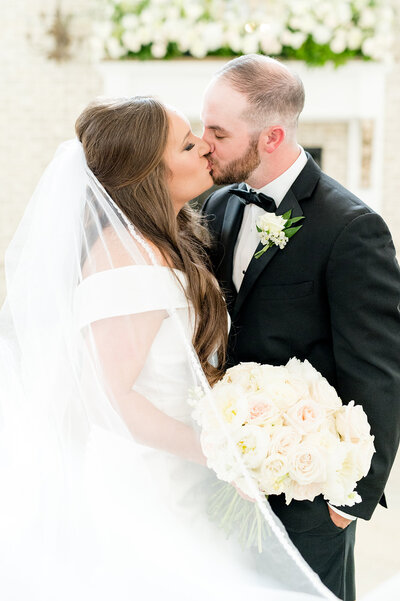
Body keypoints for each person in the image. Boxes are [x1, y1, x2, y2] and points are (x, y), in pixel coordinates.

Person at [0, 96, 335, 601]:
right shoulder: (121, 257)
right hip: (146, 491)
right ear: (148, 176)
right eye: (186, 143)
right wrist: (218, 453)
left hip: (180, 480)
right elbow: (108, 397)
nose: (205, 144)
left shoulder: (168, 238)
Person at [201, 54, 400, 601]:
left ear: (272, 136)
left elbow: (379, 369)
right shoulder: (220, 203)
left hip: (308, 492)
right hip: (227, 474)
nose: (204, 143)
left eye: (218, 132)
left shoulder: (352, 229)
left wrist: (347, 501)